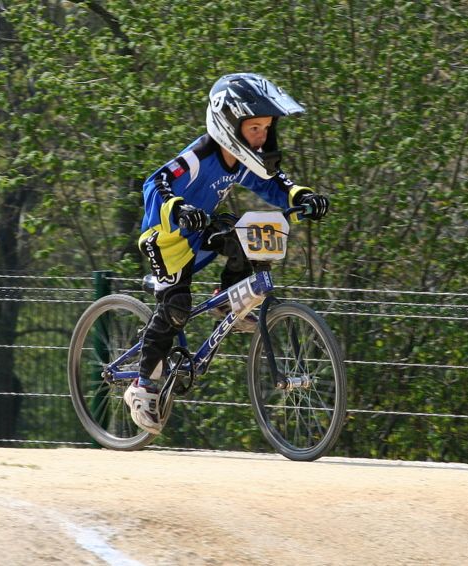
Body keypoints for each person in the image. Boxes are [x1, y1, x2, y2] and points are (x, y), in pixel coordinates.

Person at [124, 72, 330, 434]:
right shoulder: (200, 156)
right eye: (254, 128)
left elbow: (272, 182)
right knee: (176, 308)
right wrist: (178, 208)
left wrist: (302, 197)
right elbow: (154, 183)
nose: (262, 136)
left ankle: (226, 299)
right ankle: (142, 386)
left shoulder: (241, 160)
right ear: (229, 124)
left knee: (242, 234)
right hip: (167, 238)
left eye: (267, 128)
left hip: (202, 229)